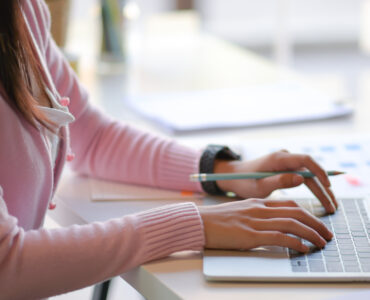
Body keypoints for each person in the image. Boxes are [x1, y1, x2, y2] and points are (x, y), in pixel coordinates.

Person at [0, 1, 336, 299]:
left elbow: (96, 137)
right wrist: (194, 225)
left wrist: (223, 171)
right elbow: (7, 267)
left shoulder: (23, 11)